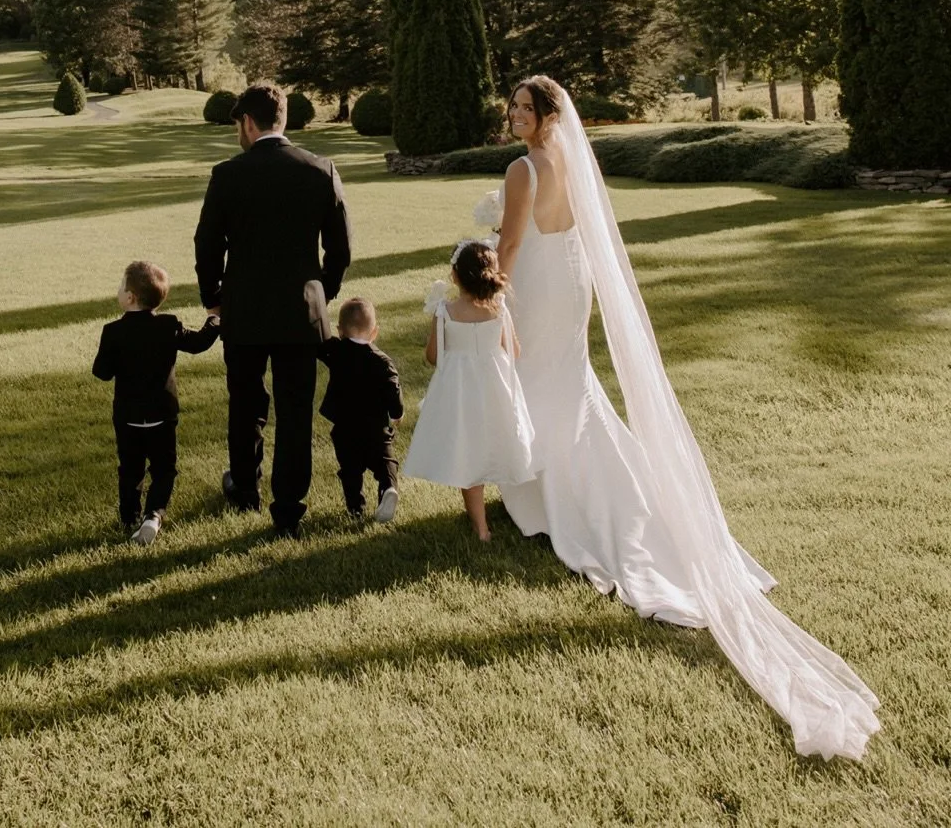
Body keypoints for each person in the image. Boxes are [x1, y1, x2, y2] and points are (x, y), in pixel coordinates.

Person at [491, 74, 879, 760]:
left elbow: (514, 247)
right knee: (567, 385)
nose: (514, 115)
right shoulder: (573, 160)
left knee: (539, 385)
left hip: (537, 283)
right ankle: (578, 483)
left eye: (525, 107)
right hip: (572, 280)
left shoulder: (523, 170)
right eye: (514, 106)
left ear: (550, 116)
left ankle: (555, 498)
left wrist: (485, 292)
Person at [194, 82, 352, 538]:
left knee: (245, 404)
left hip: (242, 309)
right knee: (296, 407)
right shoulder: (320, 170)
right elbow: (340, 248)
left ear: (247, 123)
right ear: (282, 119)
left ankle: (245, 489)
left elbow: (208, 244)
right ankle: (288, 508)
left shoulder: (227, 174)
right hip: (301, 312)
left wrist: (213, 297)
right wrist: (322, 293)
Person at [403, 240, 537, 542]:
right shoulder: (499, 310)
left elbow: (433, 356)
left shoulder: (445, 311)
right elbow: (513, 351)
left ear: (455, 276)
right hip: (494, 388)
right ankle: (516, 507)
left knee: (468, 452)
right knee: (498, 442)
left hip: (460, 392)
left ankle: (481, 528)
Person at [92, 260, 220, 544]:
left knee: (130, 468)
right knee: (163, 468)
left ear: (130, 297)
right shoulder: (168, 325)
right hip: (163, 414)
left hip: (128, 417)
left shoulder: (112, 331)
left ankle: (129, 517)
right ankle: (154, 515)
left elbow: (101, 373)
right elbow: (199, 344)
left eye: (121, 286)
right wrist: (214, 319)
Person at [318, 296, 404, 523]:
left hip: (345, 428)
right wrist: (397, 413)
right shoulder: (382, 362)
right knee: (386, 462)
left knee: (350, 470)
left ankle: (355, 507)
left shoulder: (336, 352)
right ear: (374, 332)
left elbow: (320, 344)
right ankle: (388, 488)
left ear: (340, 330)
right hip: (376, 429)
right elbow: (393, 390)